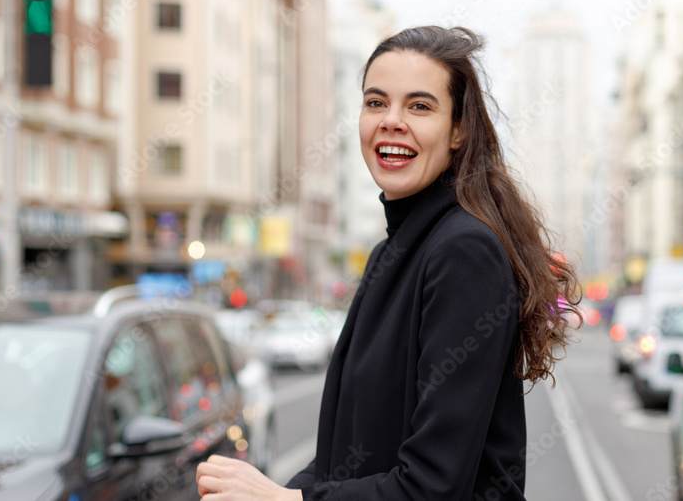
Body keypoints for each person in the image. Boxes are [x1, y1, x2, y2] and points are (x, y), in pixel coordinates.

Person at [196, 26, 581, 500]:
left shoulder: (464, 252)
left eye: (419, 106)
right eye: (376, 103)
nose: (391, 121)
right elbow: (346, 454)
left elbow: (434, 486)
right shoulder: (392, 252)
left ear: (459, 130)